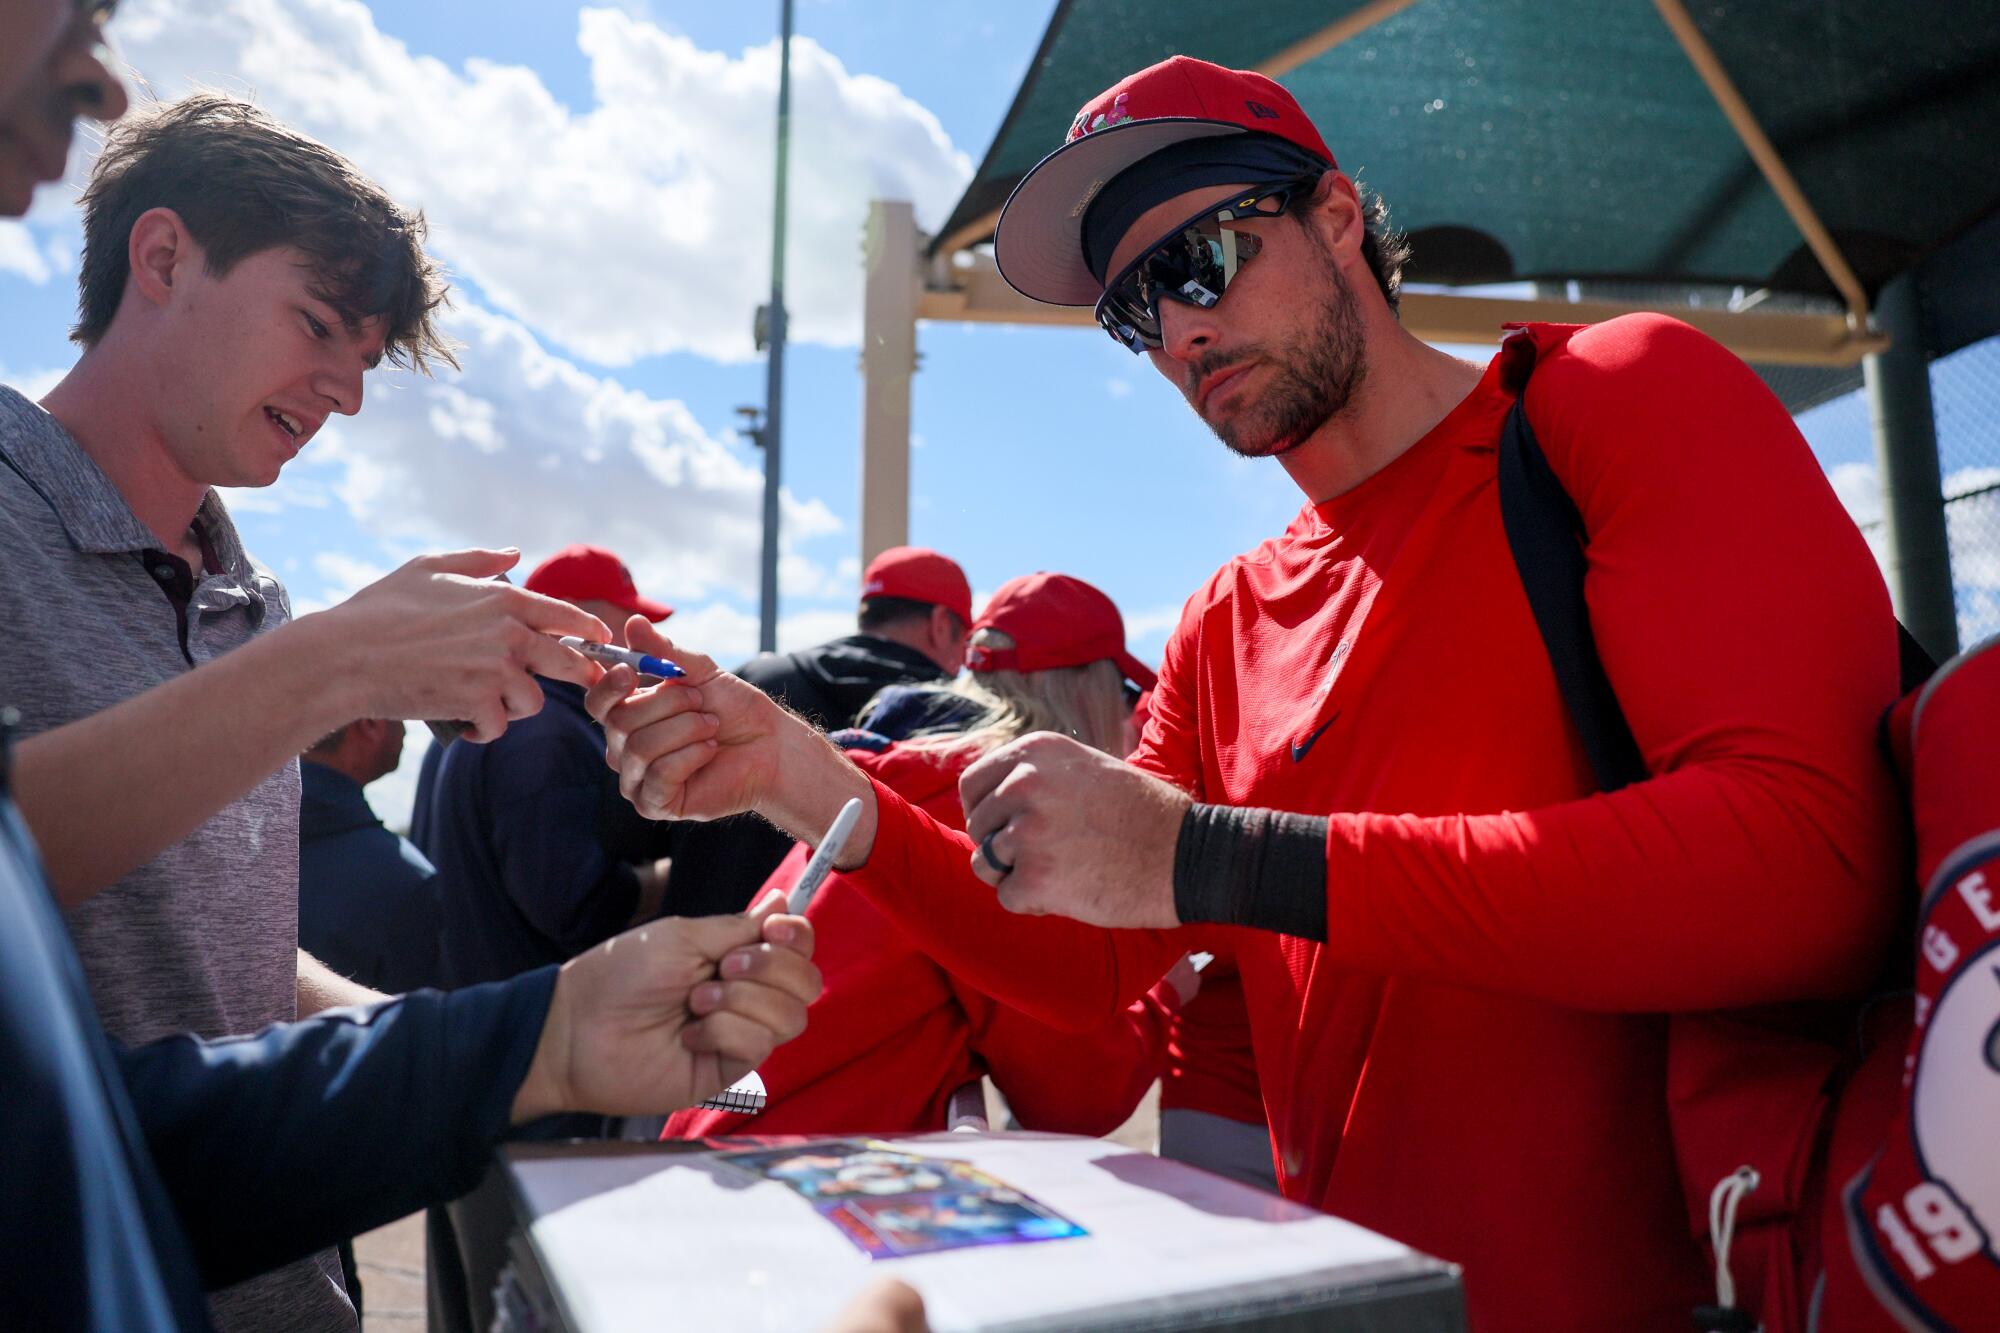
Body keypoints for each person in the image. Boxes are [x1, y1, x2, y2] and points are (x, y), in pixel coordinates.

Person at [588, 57, 1907, 1332]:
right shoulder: (1225, 617)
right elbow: (1100, 959)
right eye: (1131, 309)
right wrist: (807, 778)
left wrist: (1216, 857)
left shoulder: (1606, 402)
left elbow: (1810, 873)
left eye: (1199, 259)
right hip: (1370, 1305)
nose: (1177, 330)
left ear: (1337, 218)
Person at [0, 86, 629, 1332]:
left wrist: (485, 1047)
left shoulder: (255, 603)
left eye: (365, 357)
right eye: (320, 324)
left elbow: (215, 956)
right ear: (165, 257)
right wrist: (332, 669)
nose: (345, 391)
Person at [666, 572, 1193, 1142]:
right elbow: (1082, 1093)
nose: (1127, 721)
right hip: (805, 1169)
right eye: (1124, 696)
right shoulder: (1000, 814)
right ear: (1085, 695)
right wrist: (1166, 989)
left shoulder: (893, 774)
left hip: (726, 1137)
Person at [656, 544, 974, 918]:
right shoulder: (962, 722)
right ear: (940, 626)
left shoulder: (753, 683)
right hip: (834, 969)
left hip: (696, 953)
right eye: (964, 641)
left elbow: (635, 828)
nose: (963, 663)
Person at [419, 544, 675, 988]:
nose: (644, 640)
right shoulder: (542, 731)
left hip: (480, 1011)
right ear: (570, 623)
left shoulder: (493, 713)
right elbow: (574, 907)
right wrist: (677, 870)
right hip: (526, 1030)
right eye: (629, 622)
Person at [300, 719, 442, 994]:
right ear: (370, 723)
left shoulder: (233, 843)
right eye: (401, 711)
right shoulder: (406, 880)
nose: (406, 728)